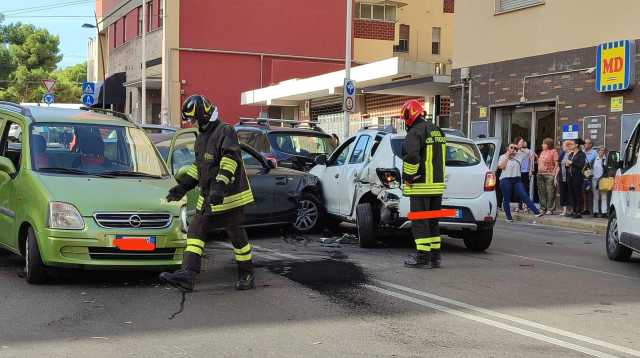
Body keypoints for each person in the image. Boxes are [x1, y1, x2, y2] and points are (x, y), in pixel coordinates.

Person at [160, 95, 256, 291]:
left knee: (237, 236)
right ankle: (187, 275)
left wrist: (220, 187)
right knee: (196, 231)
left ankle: (247, 274)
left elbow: (230, 160)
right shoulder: (202, 136)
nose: (192, 123)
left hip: (231, 196)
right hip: (209, 195)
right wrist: (183, 186)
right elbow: (199, 167)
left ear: (204, 116)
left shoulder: (225, 131)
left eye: (193, 119)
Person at [401, 99, 446, 269]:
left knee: (420, 222)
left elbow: (412, 157)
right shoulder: (437, 130)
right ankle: (435, 257)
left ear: (410, 114)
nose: (405, 120)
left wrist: (409, 177)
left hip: (421, 186)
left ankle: (422, 257)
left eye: (405, 116)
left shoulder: (415, 132)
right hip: (437, 186)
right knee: (433, 222)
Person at [498, 143, 542, 222]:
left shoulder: (519, 155)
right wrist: (507, 157)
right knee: (506, 199)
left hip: (517, 179)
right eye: (511, 147)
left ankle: (536, 212)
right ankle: (508, 217)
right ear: (507, 148)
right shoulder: (503, 157)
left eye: (514, 148)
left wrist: (519, 148)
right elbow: (501, 167)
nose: (513, 149)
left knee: (524, 195)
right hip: (505, 179)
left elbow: (530, 153)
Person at [564, 139, 587, 218]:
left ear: (577, 145)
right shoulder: (571, 154)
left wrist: (572, 163)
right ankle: (573, 211)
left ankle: (578, 212)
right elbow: (567, 166)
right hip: (570, 176)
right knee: (572, 194)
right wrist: (566, 165)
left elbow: (581, 165)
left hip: (577, 177)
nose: (571, 145)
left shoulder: (582, 154)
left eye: (572, 144)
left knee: (578, 194)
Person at [536, 138, 559, 215]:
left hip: (549, 174)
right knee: (541, 192)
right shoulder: (542, 152)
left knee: (550, 192)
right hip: (540, 174)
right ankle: (543, 208)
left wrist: (553, 174)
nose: (542, 145)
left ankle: (550, 209)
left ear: (548, 145)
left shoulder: (554, 152)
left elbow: (556, 163)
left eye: (544, 143)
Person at [513, 137, 534, 213]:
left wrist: (531, 170)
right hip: (517, 172)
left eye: (523, 141)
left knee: (525, 189)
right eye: (521, 141)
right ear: (517, 142)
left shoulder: (528, 151)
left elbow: (531, 160)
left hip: (525, 172)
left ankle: (526, 206)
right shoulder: (514, 149)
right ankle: (518, 206)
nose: (522, 143)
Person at [582, 139, 597, 215]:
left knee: (593, 191)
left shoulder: (594, 152)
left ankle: (594, 210)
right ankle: (585, 209)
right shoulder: (582, 151)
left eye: (587, 143)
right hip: (583, 174)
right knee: (584, 192)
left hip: (592, 174)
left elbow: (592, 161)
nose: (585, 145)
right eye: (584, 143)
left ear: (591, 145)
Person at [592, 147, 608, 218]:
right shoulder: (594, 159)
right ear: (598, 152)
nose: (602, 152)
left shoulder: (606, 160)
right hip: (595, 179)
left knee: (604, 196)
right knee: (596, 196)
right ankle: (595, 211)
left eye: (603, 150)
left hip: (603, 180)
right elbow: (590, 168)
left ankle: (604, 212)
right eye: (601, 150)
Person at [557, 140, 571, 216]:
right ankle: (564, 210)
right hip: (562, 176)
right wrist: (556, 176)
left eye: (564, 145)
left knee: (569, 193)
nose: (562, 147)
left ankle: (570, 210)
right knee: (563, 193)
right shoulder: (562, 153)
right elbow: (559, 165)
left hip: (569, 177)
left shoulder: (572, 154)